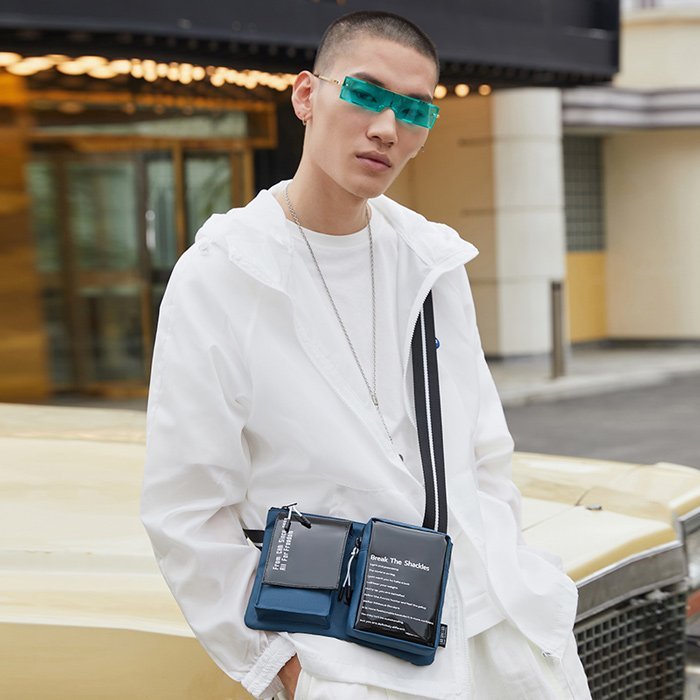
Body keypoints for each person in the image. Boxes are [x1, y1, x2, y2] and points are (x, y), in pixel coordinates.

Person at [141, 10, 591, 700]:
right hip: (344, 661)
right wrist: (284, 668)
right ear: (306, 96)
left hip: (495, 638)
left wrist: (509, 564)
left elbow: (483, 454)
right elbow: (186, 505)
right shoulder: (225, 273)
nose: (387, 127)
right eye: (365, 93)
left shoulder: (432, 261)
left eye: (414, 109)